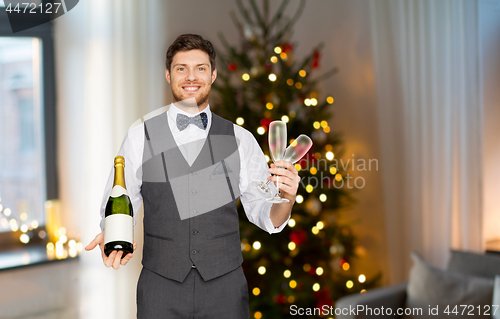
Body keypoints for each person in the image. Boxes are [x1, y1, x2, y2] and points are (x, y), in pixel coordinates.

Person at [85, 33, 300, 318]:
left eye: (200, 68)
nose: (191, 77)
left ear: (213, 75)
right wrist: (111, 234)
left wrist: (287, 198)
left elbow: (264, 215)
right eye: (181, 68)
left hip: (225, 288)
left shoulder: (239, 139)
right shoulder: (140, 136)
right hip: (160, 288)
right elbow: (120, 202)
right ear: (168, 74)